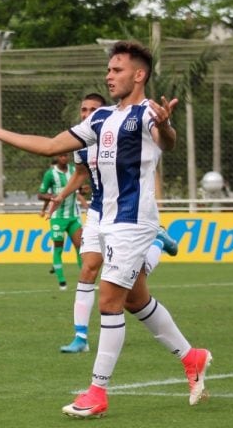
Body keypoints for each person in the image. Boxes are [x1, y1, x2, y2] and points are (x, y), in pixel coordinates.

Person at [0, 40, 211, 418]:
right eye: (109, 69)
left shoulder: (148, 113)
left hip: (133, 221)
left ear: (139, 75)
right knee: (134, 301)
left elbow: (168, 142)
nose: (109, 75)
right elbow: (50, 145)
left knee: (110, 300)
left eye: (117, 70)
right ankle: (191, 357)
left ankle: (97, 392)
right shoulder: (101, 119)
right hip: (104, 219)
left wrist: (166, 126)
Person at [49, 92, 179, 354]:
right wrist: (61, 195)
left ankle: (155, 241)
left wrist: (164, 127)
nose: (87, 115)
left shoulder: (122, 134)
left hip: (128, 212)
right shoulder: (82, 142)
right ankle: (81, 337)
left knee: (130, 286)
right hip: (98, 210)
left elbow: (158, 150)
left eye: (92, 110)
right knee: (88, 267)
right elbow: (80, 174)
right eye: (84, 110)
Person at [37, 153, 86, 290]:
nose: (64, 158)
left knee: (80, 248)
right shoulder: (50, 174)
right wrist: (51, 196)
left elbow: (78, 188)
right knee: (59, 248)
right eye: (61, 156)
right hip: (57, 217)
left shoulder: (74, 171)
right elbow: (40, 194)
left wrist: (83, 190)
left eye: (66, 156)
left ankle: (86, 281)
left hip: (73, 216)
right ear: (57, 158)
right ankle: (62, 281)